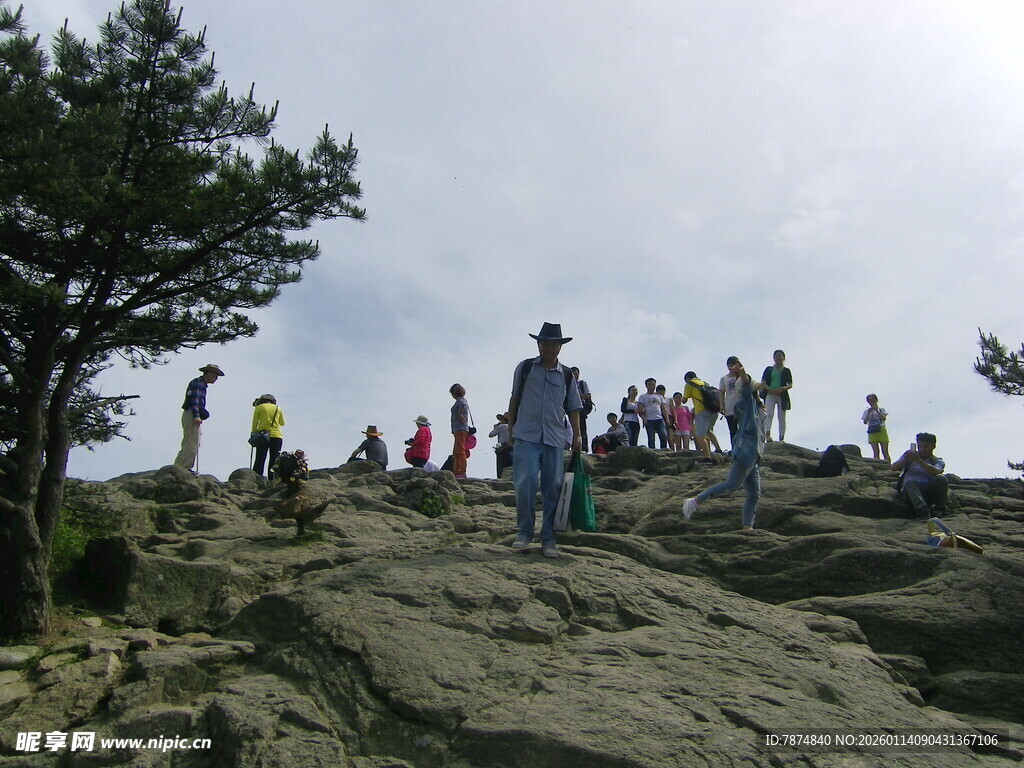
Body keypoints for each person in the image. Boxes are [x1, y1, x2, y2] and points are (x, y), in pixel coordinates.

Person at [507, 322, 583, 558]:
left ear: (560, 347)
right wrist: (510, 427)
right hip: (526, 435)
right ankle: (524, 533)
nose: (550, 348)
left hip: (554, 438)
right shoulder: (526, 367)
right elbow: (515, 397)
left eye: (554, 344)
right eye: (546, 343)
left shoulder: (567, 374)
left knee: (553, 488)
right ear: (539, 344)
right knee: (525, 482)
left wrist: (578, 434)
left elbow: (574, 407)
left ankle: (549, 538)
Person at [683, 361, 766, 530]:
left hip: (753, 456)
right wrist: (742, 374)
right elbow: (745, 386)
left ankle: (747, 528)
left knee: (754, 494)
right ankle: (694, 501)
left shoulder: (756, 404)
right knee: (732, 484)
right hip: (745, 453)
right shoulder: (746, 403)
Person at [174, 364, 224, 471]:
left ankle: (177, 467)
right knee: (192, 442)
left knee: (188, 441)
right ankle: (185, 467)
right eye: (215, 375)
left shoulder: (199, 383)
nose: (216, 378)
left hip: (189, 413)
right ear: (209, 374)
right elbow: (195, 401)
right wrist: (196, 416)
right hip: (192, 414)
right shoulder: (199, 383)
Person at [892, 433, 948, 518]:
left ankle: (940, 509)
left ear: (933, 446)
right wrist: (906, 460)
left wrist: (918, 460)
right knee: (911, 483)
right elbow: (893, 468)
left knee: (941, 479)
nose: (922, 449)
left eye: (925, 447)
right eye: (920, 446)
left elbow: (935, 471)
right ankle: (922, 510)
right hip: (909, 493)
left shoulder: (937, 461)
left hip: (927, 492)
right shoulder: (910, 455)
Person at [682, 371, 717, 460]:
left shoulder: (689, 384)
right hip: (713, 410)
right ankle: (719, 449)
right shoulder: (705, 383)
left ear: (687, 379)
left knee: (699, 435)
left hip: (702, 411)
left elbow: (684, 400)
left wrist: (685, 396)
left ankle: (707, 456)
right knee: (708, 431)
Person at [760, 350, 793, 442]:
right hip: (770, 393)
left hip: (781, 395)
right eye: (777, 356)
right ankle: (767, 434)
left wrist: (782, 388)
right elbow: (763, 382)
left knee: (781, 416)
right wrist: (770, 389)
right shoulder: (769, 369)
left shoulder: (786, 371)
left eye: (780, 356)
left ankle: (781, 437)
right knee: (769, 414)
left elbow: (790, 384)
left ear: (783, 358)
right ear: (773, 358)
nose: (778, 357)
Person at [251, 394, 285, 479]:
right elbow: (282, 423)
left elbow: (255, 423)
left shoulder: (259, 407)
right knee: (274, 459)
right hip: (277, 436)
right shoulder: (278, 408)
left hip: (263, 435)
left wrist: (253, 433)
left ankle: (257, 478)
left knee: (260, 458)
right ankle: (272, 479)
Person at [638, 378, 670, 450]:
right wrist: (644, 419)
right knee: (651, 438)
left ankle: (664, 450)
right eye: (650, 384)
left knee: (663, 436)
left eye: (653, 384)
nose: (651, 386)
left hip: (659, 419)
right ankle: (653, 452)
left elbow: (664, 408)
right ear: (646, 386)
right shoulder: (643, 397)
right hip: (649, 419)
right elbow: (640, 409)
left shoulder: (659, 396)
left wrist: (667, 419)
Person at [719, 356, 742, 446]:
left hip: (741, 406)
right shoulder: (724, 378)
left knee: (744, 429)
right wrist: (721, 406)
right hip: (729, 407)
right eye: (731, 365)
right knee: (733, 430)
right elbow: (721, 393)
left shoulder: (741, 377)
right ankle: (735, 449)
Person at [862, 394, 891, 463]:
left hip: (881, 429)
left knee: (885, 451)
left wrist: (877, 410)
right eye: (869, 401)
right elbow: (865, 421)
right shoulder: (867, 411)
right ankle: (877, 466)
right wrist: (869, 412)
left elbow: (884, 418)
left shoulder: (881, 409)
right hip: (872, 431)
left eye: (873, 400)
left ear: (876, 400)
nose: (871, 402)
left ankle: (888, 466)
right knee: (875, 451)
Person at [450, 384, 470, 479]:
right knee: (457, 450)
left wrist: (459, 414)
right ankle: (457, 469)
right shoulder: (461, 401)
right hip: (459, 428)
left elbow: (462, 407)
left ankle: (460, 471)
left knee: (460, 450)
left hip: (460, 428)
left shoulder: (461, 401)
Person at [571, 367, 594, 452]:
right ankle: (574, 447)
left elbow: (588, 395)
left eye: (576, 374)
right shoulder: (567, 385)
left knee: (581, 428)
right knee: (572, 428)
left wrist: (577, 397)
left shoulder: (582, 384)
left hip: (581, 408)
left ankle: (583, 448)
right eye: (572, 374)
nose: (574, 376)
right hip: (571, 409)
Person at [489, 413, 513, 478]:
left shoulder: (502, 426)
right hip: (511, 448)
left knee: (501, 468)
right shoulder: (512, 427)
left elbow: (491, 434)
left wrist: (496, 428)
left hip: (502, 448)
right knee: (509, 467)